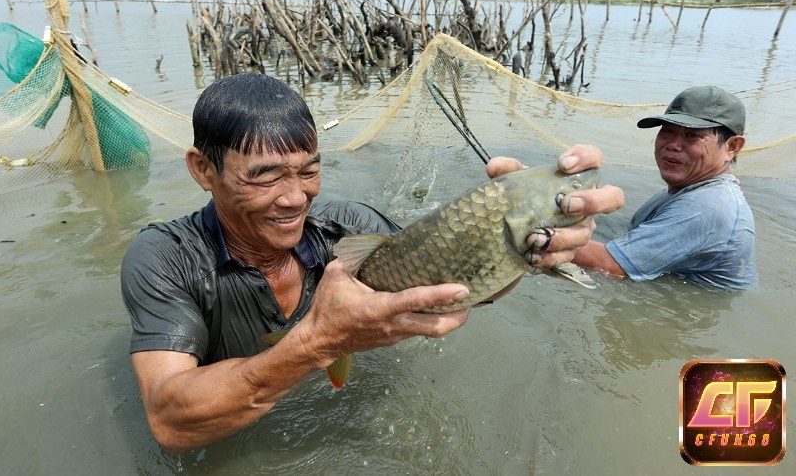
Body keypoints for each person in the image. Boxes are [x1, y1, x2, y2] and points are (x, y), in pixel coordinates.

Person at [120, 73, 624, 454]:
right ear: (202, 169)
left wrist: (521, 247)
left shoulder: (349, 226)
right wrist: (321, 341)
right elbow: (172, 422)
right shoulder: (165, 258)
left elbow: (459, 285)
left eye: (310, 170)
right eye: (265, 177)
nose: (295, 198)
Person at [572, 85, 757, 290]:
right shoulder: (687, 190)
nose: (673, 145)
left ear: (732, 147)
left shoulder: (708, 206)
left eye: (692, 136)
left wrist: (535, 235)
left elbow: (613, 266)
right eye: (668, 132)